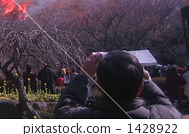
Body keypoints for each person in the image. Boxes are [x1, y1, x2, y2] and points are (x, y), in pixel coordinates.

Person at [54, 51, 182, 119]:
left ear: (98, 87)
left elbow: (63, 110)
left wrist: (83, 75)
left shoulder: (82, 119)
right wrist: (146, 79)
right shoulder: (164, 118)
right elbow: (163, 104)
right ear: (140, 88)